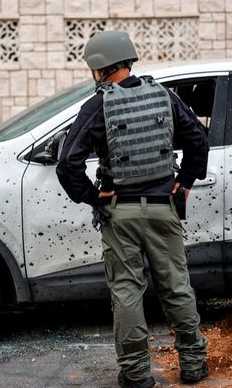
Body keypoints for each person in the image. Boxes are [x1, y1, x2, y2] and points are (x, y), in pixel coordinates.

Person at [56, 30, 210, 388]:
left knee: (126, 291)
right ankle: (192, 364)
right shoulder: (164, 95)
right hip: (163, 208)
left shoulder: (98, 105)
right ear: (128, 60)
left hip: (119, 213)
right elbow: (198, 141)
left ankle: (138, 375)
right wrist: (183, 181)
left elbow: (67, 164)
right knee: (176, 286)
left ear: (98, 69)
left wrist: (93, 197)